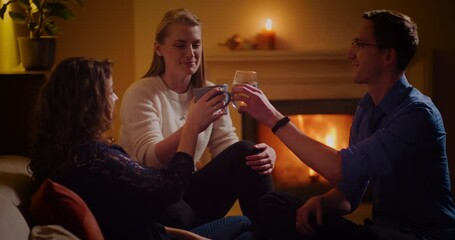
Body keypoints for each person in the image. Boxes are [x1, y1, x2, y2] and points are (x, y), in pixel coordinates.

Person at [232, 9, 455, 240]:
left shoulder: (417, 115)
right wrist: (322, 202)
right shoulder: (366, 108)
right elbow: (350, 191)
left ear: (388, 56)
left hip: (422, 235)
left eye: (359, 45)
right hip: (379, 229)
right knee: (275, 203)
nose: (350, 54)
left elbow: (336, 168)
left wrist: (273, 119)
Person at [29, 57, 255, 240]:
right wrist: (191, 127)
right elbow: (171, 189)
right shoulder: (94, 157)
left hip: (167, 224)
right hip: (170, 224)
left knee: (246, 154)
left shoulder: (68, 155)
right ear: (89, 104)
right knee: (249, 224)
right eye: (110, 91)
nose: (116, 97)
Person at [118, 8, 275, 230]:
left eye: (196, 44)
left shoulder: (208, 91)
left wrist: (267, 153)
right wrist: (192, 124)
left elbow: (229, 150)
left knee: (250, 153)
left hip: (190, 196)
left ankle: (272, 232)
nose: (191, 53)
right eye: (180, 45)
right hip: (154, 199)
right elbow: (149, 160)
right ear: (159, 48)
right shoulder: (142, 93)